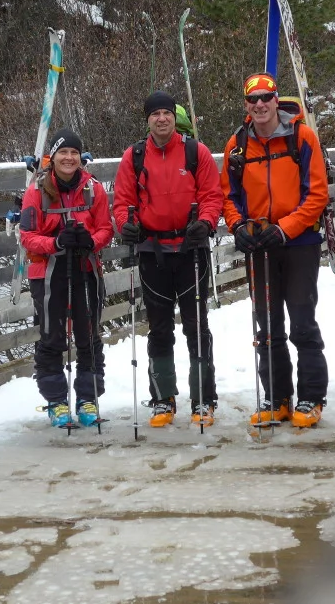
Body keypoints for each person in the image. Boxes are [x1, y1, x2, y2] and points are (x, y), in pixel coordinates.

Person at [220, 73, 330, 428]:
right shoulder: (237, 145)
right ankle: (277, 397)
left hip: (298, 243)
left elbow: (317, 194)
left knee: (302, 323)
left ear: (276, 99)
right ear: (246, 104)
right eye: (253, 99)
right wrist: (238, 226)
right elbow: (228, 195)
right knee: (267, 326)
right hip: (259, 245)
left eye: (266, 97)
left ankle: (311, 396)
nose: (260, 105)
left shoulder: (302, 137)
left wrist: (286, 228)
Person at [113, 90, 223, 428]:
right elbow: (122, 201)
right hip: (153, 252)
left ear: (175, 117)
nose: (161, 119)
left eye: (167, 113)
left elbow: (212, 194)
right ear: (147, 119)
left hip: (191, 250)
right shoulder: (134, 157)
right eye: (155, 114)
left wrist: (206, 222)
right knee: (159, 328)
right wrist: (126, 225)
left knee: (196, 326)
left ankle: (203, 399)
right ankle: (162, 398)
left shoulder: (195, 152)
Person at [19, 129, 114, 427]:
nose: (69, 158)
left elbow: (106, 228)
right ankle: (56, 401)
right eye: (63, 152)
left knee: (89, 335)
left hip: (85, 267)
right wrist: (56, 242)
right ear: (53, 156)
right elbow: (27, 236)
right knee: (52, 336)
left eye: (74, 152)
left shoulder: (93, 188)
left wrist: (91, 241)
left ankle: (88, 398)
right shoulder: (37, 191)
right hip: (48, 271)